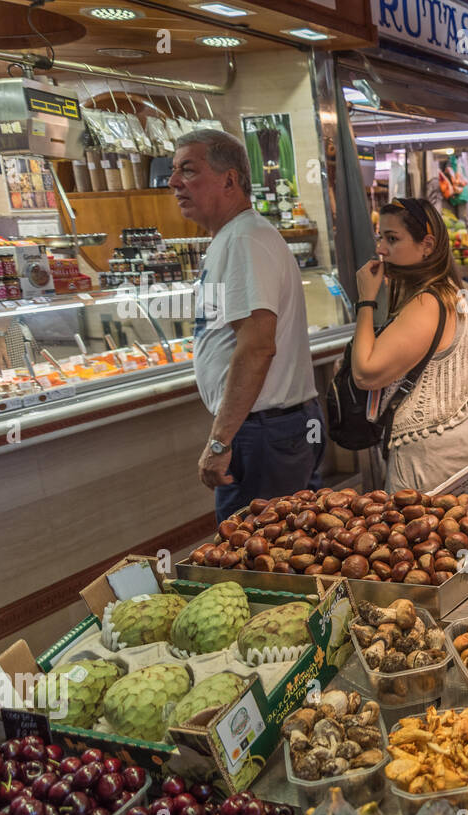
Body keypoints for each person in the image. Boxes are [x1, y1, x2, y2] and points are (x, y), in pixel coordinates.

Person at [170, 128, 321, 523]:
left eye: (188, 170)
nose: (173, 183)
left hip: (263, 434)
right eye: (174, 171)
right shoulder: (236, 237)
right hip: (270, 429)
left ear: (230, 180)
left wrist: (219, 443)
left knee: (256, 561)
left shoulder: (244, 241)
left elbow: (256, 347)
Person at [350, 198, 468, 492]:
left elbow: (365, 373)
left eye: (392, 239)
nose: (381, 249)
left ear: (427, 244)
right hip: (444, 442)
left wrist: (366, 300)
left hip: (426, 452)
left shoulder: (427, 302)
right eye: (380, 237)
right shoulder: (447, 291)